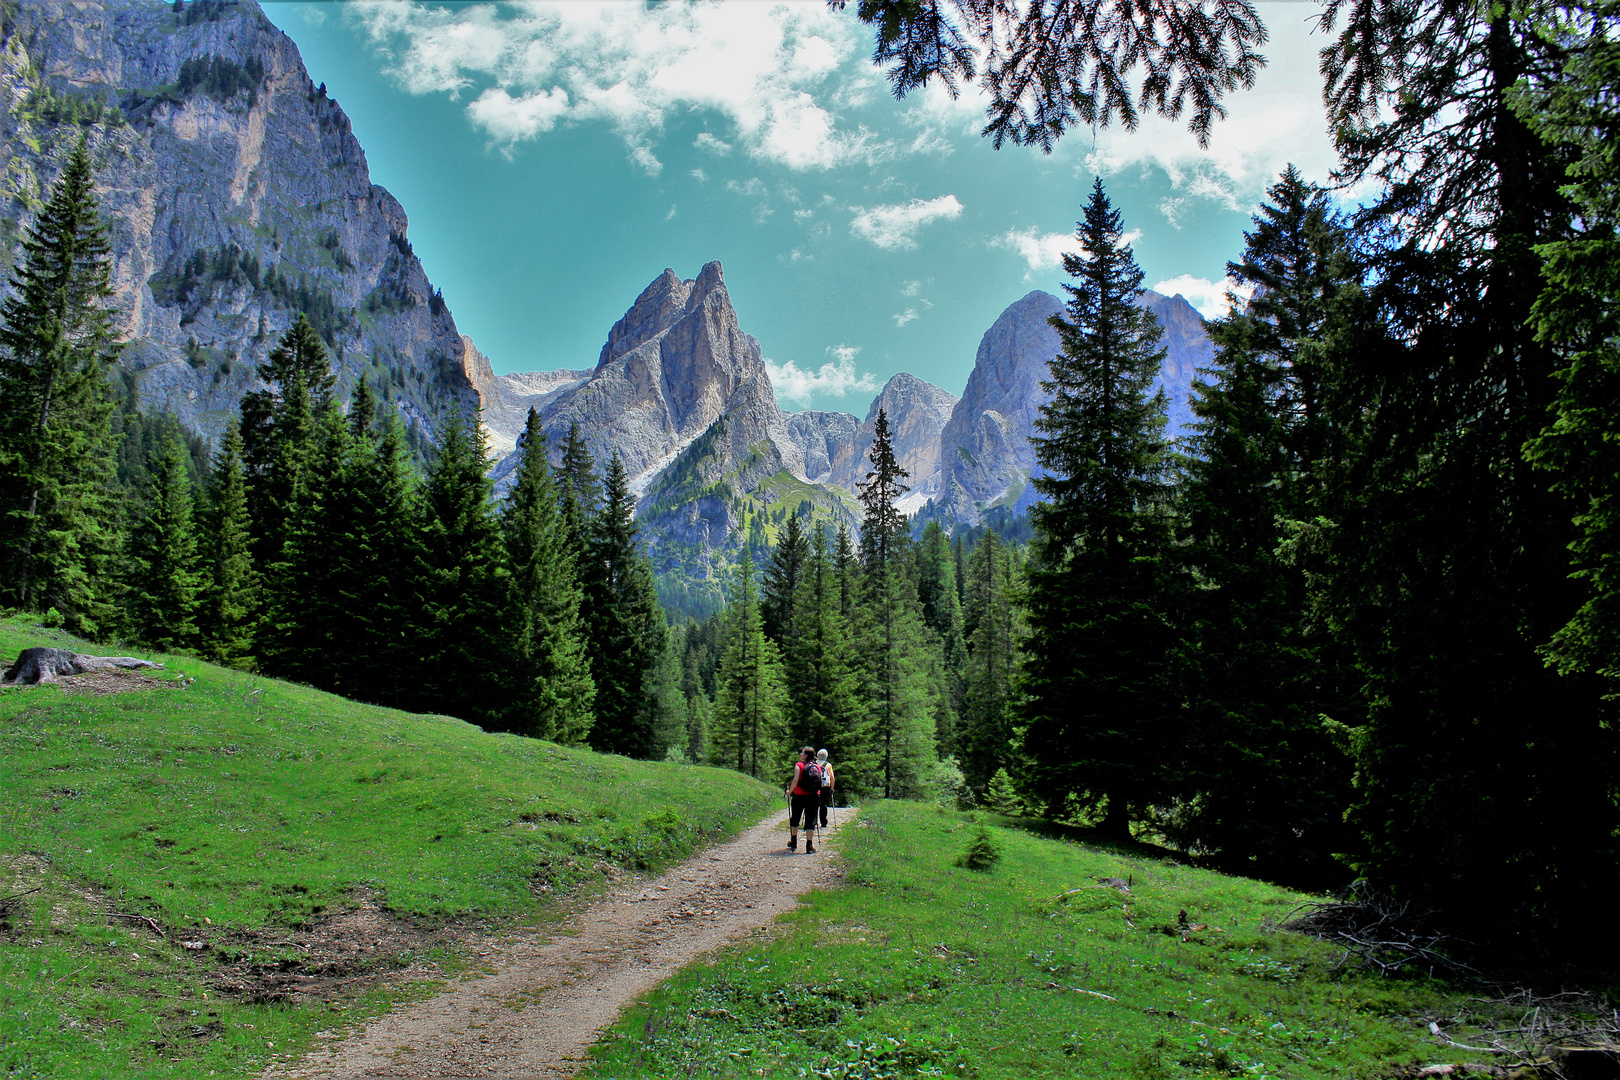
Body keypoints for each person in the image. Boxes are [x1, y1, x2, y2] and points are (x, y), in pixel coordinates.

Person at [785, 746, 820, 854]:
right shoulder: (817, 766)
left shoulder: (798, 765)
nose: (801, 754)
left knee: (795, 818)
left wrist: (790, 791)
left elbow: (795, 780)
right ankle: (809, 846)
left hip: (799, 795)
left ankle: (794, 842)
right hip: (814, 796)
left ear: (806, 755)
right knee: (811, 820)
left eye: (802, 753)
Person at [816, 748, 835, 828]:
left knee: (814, 804)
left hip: (814, 786)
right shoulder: (828, 765)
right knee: (823, 804)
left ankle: (813, 821)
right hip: (825, 787)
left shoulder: (813, 764)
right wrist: (832, 788)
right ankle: (823, 822)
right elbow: (832, 777)